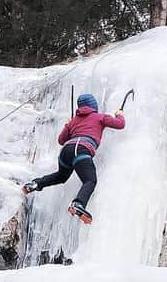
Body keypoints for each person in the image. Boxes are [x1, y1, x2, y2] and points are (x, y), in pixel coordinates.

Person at [21, 93, 126, 224]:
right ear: (93, 105)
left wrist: (68, 125)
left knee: (61, 176)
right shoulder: (100, 117)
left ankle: (36, 184)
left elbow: (61, 140)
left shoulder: (74, 121)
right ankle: (78, 204)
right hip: (81, 148)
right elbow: (120, 124)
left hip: (66, 151)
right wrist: (119, 114)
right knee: (90, 180)